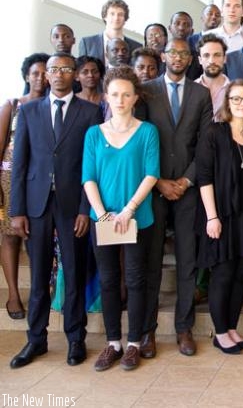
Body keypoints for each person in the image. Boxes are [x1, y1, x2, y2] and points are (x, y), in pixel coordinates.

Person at [9, 53, 104, 369]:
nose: (59, 74)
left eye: (65, 69)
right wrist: (17, 211)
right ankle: (36, 339)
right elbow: (20, 164)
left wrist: (85, 209)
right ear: (46, 75)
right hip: (36, 204)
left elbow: (92, 165)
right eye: (53, 69)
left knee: (74, 273)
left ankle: (76, 338)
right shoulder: (29, 111)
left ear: (74, 74)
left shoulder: (90, 112)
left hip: (72, 205)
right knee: (38, 276)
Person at [82, 66, 159, 371]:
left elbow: (151, 174)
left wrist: (128, 210)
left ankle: (135, 343)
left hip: (137, 217)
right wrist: (103, 214)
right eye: (115, 94)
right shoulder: (93, 134)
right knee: (109, 279)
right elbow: (88, 177)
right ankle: (113, 342)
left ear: (135, 97)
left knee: (136, 280)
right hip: (102, 218)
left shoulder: (147, 132)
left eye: (126, 94)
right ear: (106, 97)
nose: (120, 100)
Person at [140, 39, 213, 359]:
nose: (178, 57)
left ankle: (184, 328)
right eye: (173, 52)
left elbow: (205, 144)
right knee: (151, 262)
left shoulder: (201, 94)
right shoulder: (146, 91)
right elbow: (139, 140)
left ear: (191, 58)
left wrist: (185, 181)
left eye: (184, 53)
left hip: (187, 190)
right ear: (163, 56)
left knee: (187, 261)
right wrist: (158, 182)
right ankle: (147, 331)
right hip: (153, 189)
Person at [197, 80, 243, 354]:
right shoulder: (213, 133)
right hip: (221, 214)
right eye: (236, 99)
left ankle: (232, 327)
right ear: (227, 103)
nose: (242, 104)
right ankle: (220, 332)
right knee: (223, 273)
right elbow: (204, 178)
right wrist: (212, 217)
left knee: (240, 274)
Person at [0, 53, 49, 320]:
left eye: (44, 73)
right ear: (26, 76)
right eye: (35, 73)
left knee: (37, 236)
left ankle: (41, 291)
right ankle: (13, 294)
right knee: (10, 235)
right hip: (10, 179)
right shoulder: (12, 105)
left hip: (40, 179)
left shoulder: (53, 105)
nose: (40, 78)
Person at [77, 0, 141, 64]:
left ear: (125, 18)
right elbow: (81, 68)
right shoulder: (87, 43)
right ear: (105, 16)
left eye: (120, 14)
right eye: (112, 14)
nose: (116, 18)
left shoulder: (137, 47)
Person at [194, 35, 231, 116]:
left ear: (225, 58)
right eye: (206, 55)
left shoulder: (234, 90)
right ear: (200, 60)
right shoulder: (189, 90)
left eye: (217, 55)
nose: (211, 61)